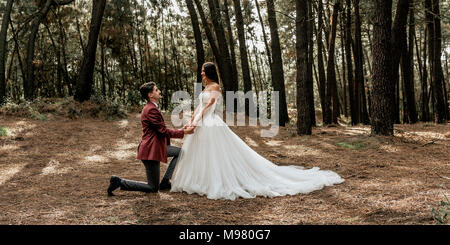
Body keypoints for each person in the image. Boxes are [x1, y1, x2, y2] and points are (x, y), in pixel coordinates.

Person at [170, 62, 344, 200]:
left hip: (211, 123)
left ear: (208, 72)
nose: (201, 73)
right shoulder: (204, 88)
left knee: (216, 154)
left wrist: (197, 121)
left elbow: (208, 107)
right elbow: (199, 106)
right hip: (201, 123)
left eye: (202, 70)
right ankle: (199, 180)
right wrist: (191, 121)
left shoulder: (215, 87)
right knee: (201, 152)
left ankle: (214, 182)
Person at [107, 82, 195, 196]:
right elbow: (163, 131)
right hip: (150, 150)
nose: (159, 91)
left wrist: (182, 129)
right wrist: (183, 132)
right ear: (150, 95)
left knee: (180, 152)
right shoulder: (151, 109)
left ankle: (165, 181)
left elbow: (161, 129)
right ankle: (119, 182)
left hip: (156, 146)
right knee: (153, 187)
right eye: (156, 90)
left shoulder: (152, 107)